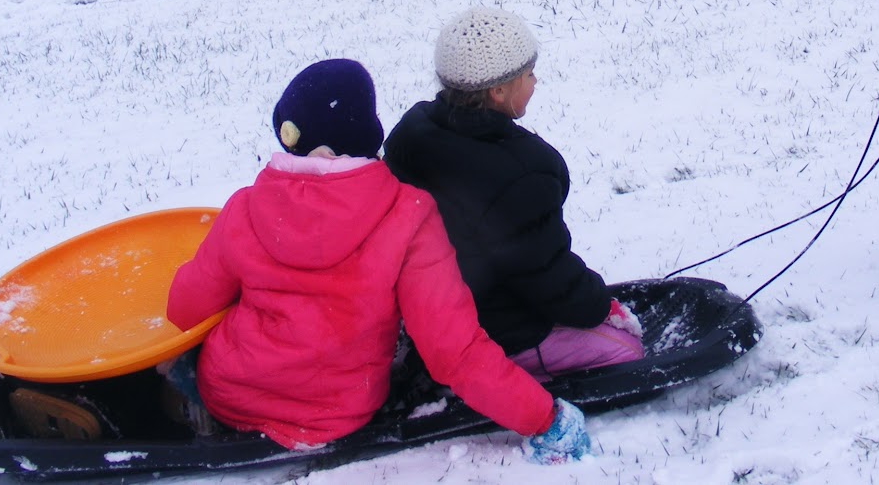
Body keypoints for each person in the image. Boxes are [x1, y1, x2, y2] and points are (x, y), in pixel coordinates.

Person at [163, 58, 591, 464]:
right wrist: (544, 418)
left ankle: (188, 403)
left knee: (197, 353)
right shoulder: (407, 215)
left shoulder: (244, 207)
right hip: (335, 413)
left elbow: (184, 307)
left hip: (231, 392)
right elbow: (454, 351)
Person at [385, 8, 645, 378]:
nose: (535, 82)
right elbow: (544, 273)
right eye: (529, 74)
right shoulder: (520, 173)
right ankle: (495, 381)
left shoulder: (412, 133)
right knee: (627, 349)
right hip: (494, 327)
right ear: (499, 90)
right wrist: (598, 307)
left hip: (429, 312)